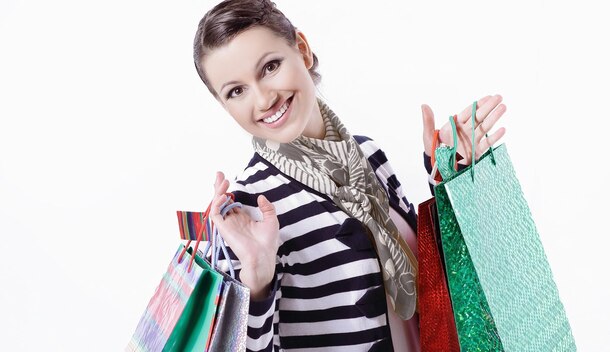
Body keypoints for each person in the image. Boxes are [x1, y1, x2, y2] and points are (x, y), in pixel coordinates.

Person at [192, 0, 507, 350]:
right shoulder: (246, 211)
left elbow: (438, 281)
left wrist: (450, 175)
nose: (264, 99)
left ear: (303, 50)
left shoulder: (368, 155)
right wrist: (256, 277)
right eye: (236, 91)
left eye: (270, 67)